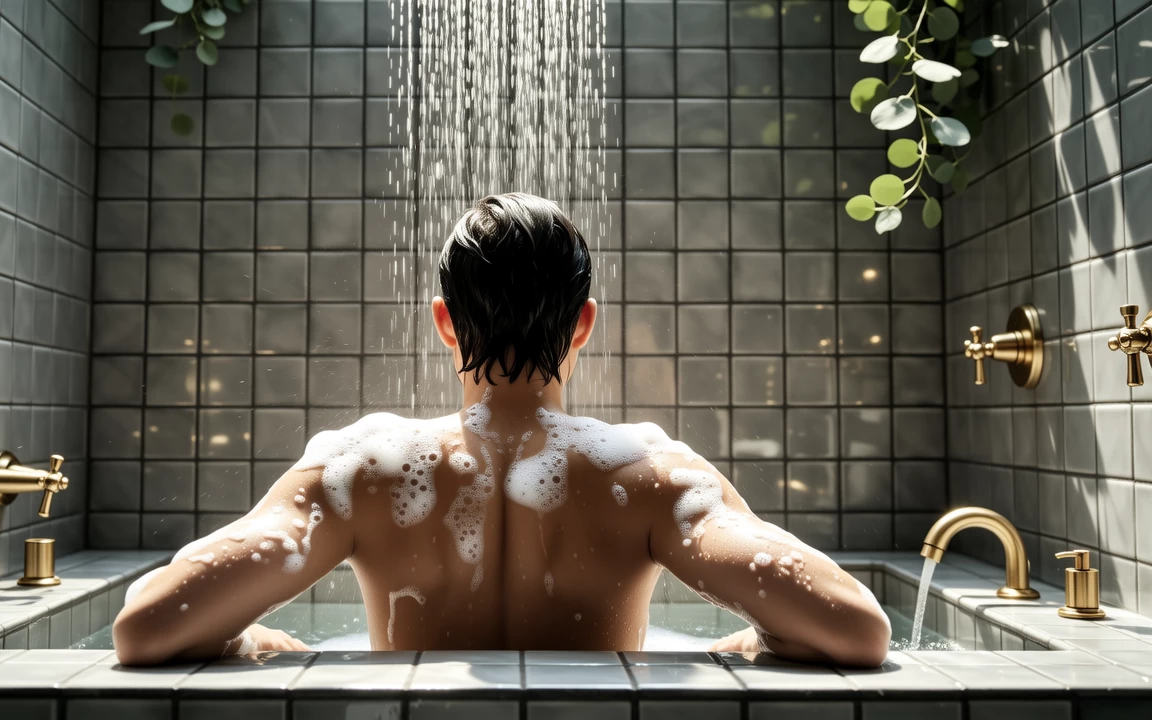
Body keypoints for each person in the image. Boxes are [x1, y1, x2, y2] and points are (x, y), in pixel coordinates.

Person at [113, 192, 891, 667]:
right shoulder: (651, 475)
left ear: (444, 324)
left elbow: (145, 631)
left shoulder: (362, 470)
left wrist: (244, 644)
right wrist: (756, 645)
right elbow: (856, 630)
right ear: (585, 323)